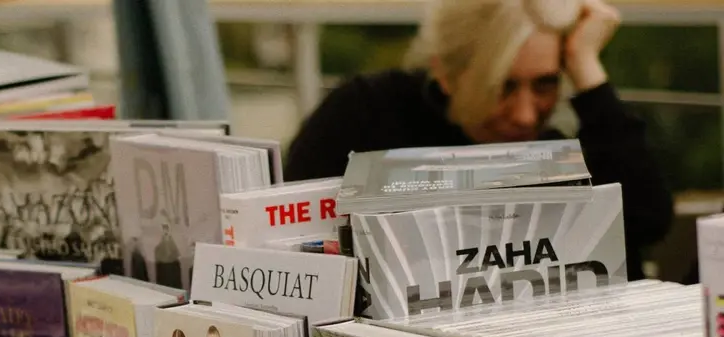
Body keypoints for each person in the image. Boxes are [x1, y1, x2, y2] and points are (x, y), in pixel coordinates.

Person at [284, 0, 673, 280]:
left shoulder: (554, 141)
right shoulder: (365, 113)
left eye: (546, 83)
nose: (525, 114)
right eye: (501, 86)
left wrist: (587, 68)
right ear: (446, 73)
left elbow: (646, 219)